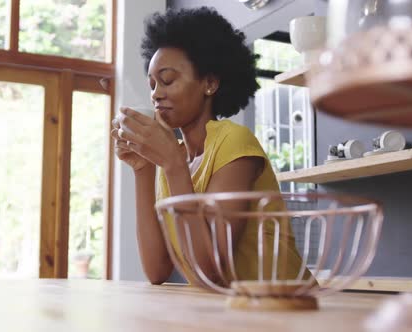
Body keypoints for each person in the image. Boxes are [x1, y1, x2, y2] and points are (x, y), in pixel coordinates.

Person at [111, 7, 307, 286]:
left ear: (210, 83)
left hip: (288, 313)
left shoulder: (234, 142)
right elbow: (156, 271)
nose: (156, 94)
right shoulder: (175, 159)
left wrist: (172, 164)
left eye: (167, 80)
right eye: (152, 84)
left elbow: (211, 270)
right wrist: (143, 169)